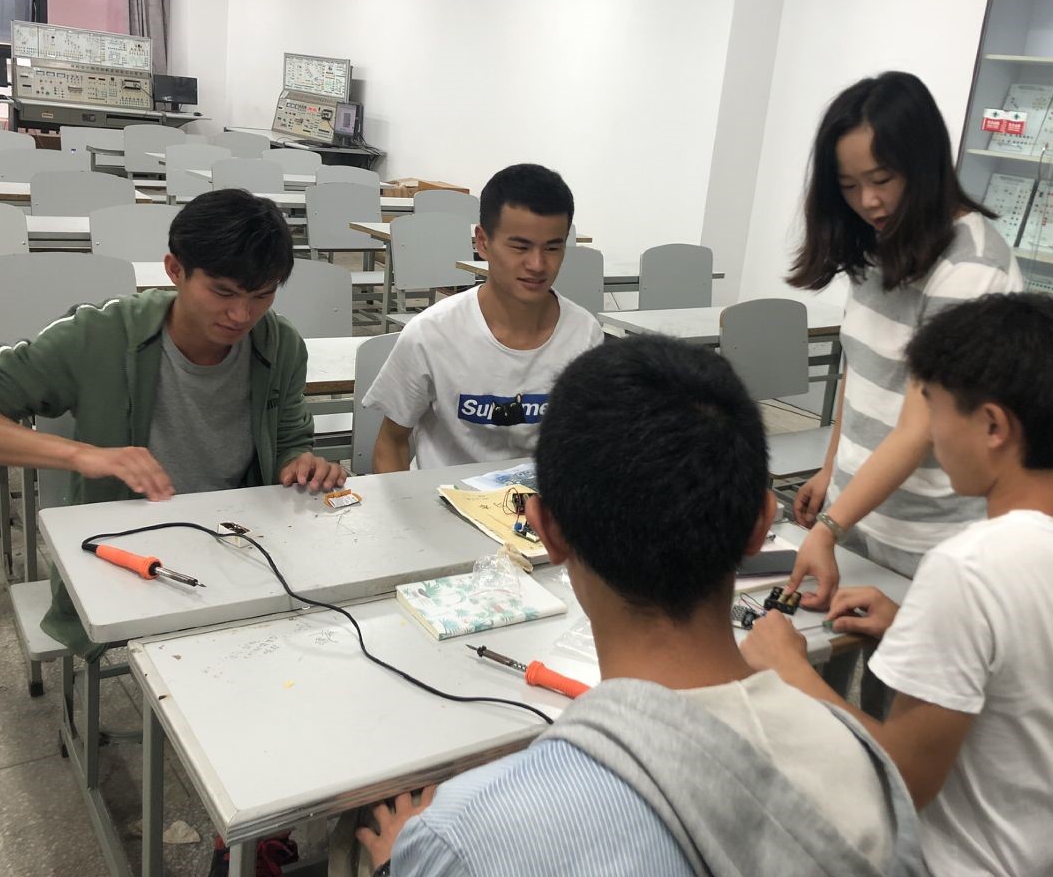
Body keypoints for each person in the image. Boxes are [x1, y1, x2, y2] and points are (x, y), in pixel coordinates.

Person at [354, 336, 926, 877]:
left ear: (547, 531)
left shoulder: (465, 837)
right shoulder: (866, 769)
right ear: (760, 523)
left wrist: (398, 862)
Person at [743, 293, 1053, 877]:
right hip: (1049, 855)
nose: (929, 436)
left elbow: (902, 780)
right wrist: (913, 627)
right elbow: (1031, 674)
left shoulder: (970, 568)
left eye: (934, 412)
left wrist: (791, 674)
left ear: (992, 425)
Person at [0, 189, 346, 657]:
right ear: (175, 270)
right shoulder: (101, 334)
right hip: (130, 548)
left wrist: (301, 462)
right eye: (223, 292)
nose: (241, 315)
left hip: (236, 540)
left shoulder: (280, 344)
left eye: (262, 295)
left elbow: (290, 437)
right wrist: (82, 455)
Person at [786, 71, 1023, 605]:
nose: (868, 201)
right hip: (859, 515)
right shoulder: (881, 244)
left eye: (882, 179)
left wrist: (829, 527)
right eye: (848, 186)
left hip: (928, 539)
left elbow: (919, 429)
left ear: (924, 164)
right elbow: (863, 372)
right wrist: (832, 473)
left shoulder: (971, 269)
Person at [364, 163, 602, 473]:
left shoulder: (584, 335)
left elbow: (591, 443)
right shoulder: (431, 333)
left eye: (553, 248)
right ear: (482, 242)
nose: (537, 264)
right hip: (439, 497)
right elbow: (391, 442)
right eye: (520, 247)